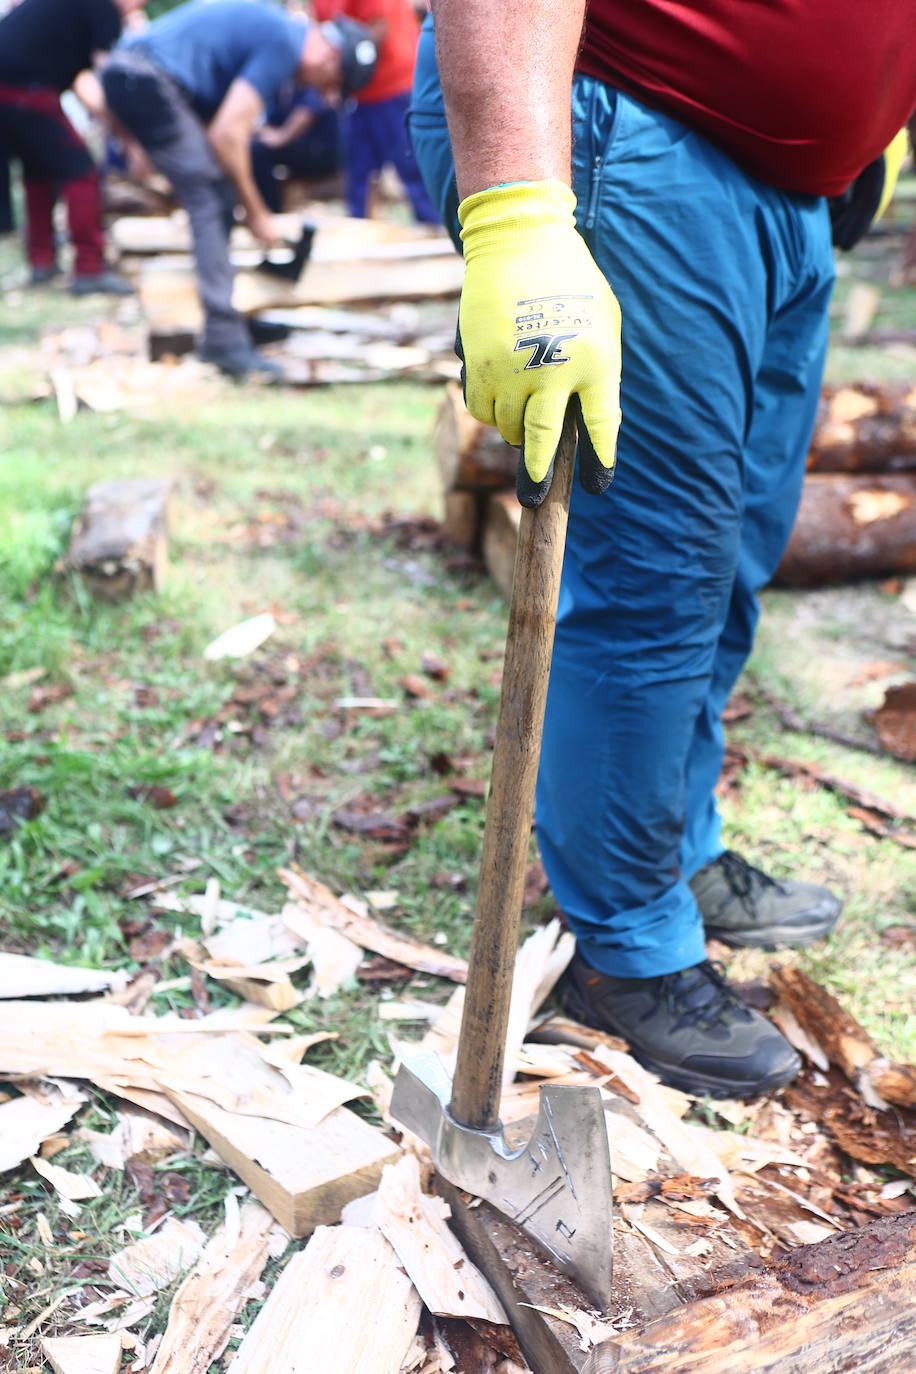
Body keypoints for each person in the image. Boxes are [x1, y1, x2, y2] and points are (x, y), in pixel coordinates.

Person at [407, 4, 916, 1099]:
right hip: (626, 127)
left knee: (732, 550)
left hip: (781, 187)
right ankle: (626, 947)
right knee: (655, 576)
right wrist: (517, 215)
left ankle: (671, 847)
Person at [101, 1, 378, 379]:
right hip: (144, 78)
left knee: (218, 193)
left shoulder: (279, 32)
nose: (325, 93)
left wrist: (131, 138)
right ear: (330, 56)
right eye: (333, 84)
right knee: (211, 197)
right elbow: (227, 134)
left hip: (138, 76)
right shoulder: (284, 41)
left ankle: (232, 318)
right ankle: (223, 337)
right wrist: (256, 213)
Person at [0, 0, 141, 293]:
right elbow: (106, 81)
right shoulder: (103, 9)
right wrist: (127, 136)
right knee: (82, 174)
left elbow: (82, 82)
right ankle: (89, 268)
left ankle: (42, 261)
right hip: (25, 90)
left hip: (15, 87)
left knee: (38, 172)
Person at [316, 0, 436, 223]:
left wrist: (341, 60)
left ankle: (436, 232)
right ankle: (359, 234)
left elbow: (378, 27)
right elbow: (322, 39)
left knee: (414, 170)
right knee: (358, 176)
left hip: (395, 85)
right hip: (356, 95)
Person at [251, 87, 341, 212]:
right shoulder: (280, 87)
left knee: (258, 152)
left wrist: (281, 136)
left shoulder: (310, 82)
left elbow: (309, 111)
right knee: (252, 149)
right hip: (295, 149)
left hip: (320, 152)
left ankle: (271, 211)